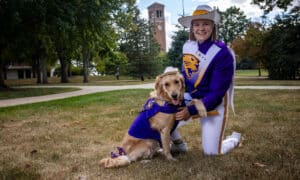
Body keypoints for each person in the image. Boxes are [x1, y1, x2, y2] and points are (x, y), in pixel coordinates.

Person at [170, 5, 241, 155]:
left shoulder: (223, 53)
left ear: (213, 26)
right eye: (197, 24)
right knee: (159, 112)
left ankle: (234, 139)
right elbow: (186, 78)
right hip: (193, 98)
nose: (201, 28)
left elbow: (216, 95)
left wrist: (190, 110)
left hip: (214, 105)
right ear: (192, 27)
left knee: (212, 152)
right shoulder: (187, 46)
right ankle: (178, 144)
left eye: (206, 24)